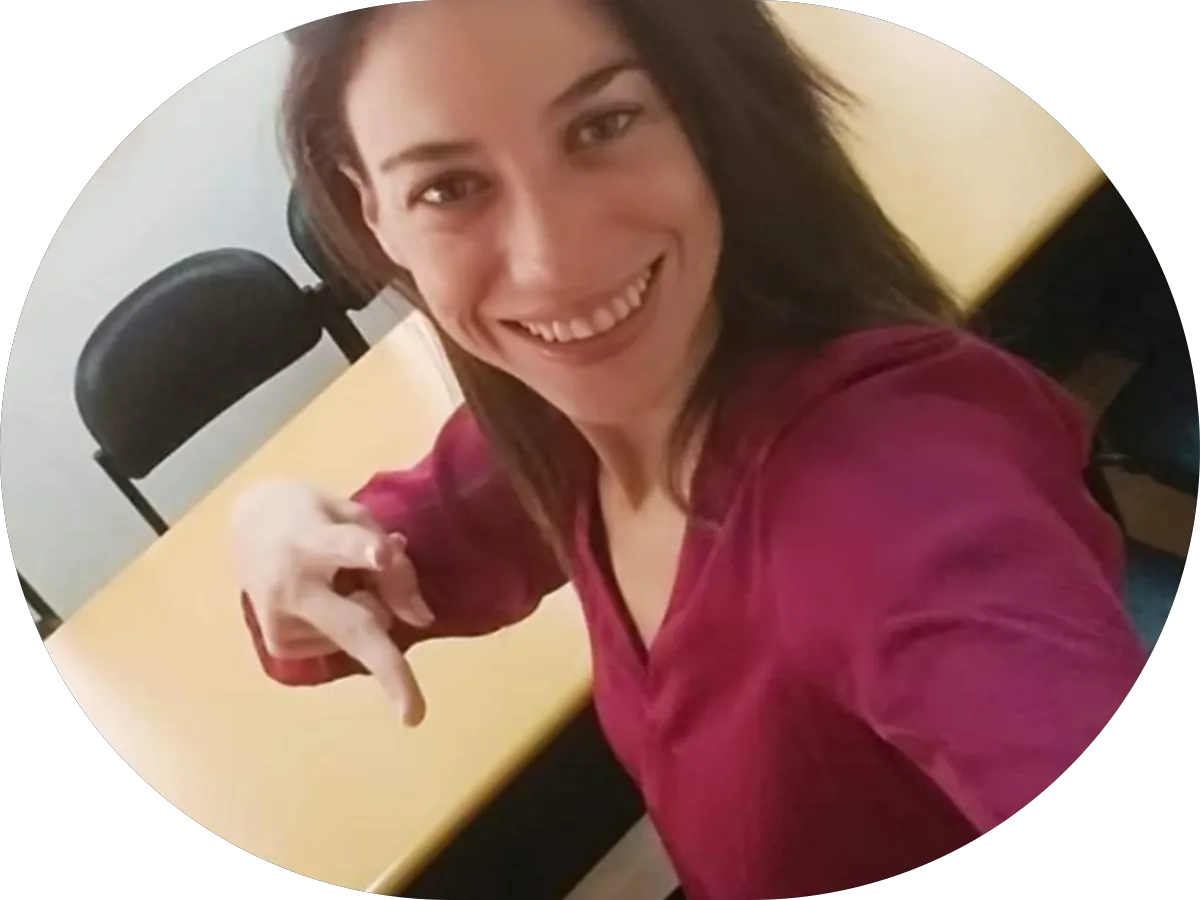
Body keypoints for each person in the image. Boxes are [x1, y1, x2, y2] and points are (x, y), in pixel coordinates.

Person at [233, 2, 1147, 897]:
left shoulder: (889, 500)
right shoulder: (569, 423)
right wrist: (270, 525)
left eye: (604, 125)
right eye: (448, 188)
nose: (554, 261)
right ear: (374, 213)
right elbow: (367, 577)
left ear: (707, 111)